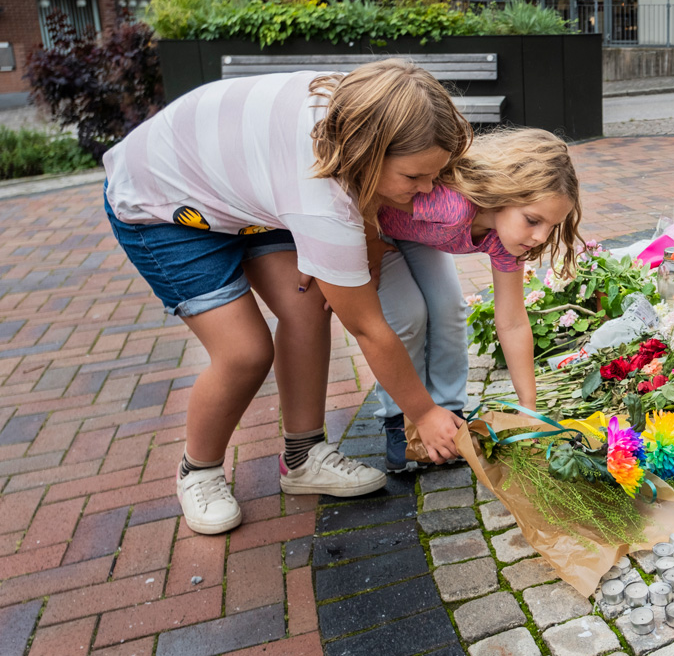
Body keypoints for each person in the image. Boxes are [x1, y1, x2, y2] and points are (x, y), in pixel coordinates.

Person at [102, 60, 472, 534]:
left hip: (248, 191)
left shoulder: (372, 107)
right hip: (164, 206)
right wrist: (423, 412)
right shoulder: (319, 196)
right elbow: (366, 326)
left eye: (434, 175)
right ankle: (199, 470)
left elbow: (354, 197)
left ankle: (302, 456)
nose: (427, 190)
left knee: (308, 305)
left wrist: (368, 236)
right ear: (367, 154)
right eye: (414, 177)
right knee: (243, 353)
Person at [370, 128, 582, 471]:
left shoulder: (506, 241)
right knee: (407, 315)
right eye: (533, 220)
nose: (541, 236)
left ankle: (448, 413)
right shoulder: (452, 206)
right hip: (374, 229)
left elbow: (512, 322)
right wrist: (362, 243)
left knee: (449, 308)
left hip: (418, 234)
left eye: (550, 226)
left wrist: (529, 409)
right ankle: (400, 420)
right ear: (504, 192)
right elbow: (370, 191)